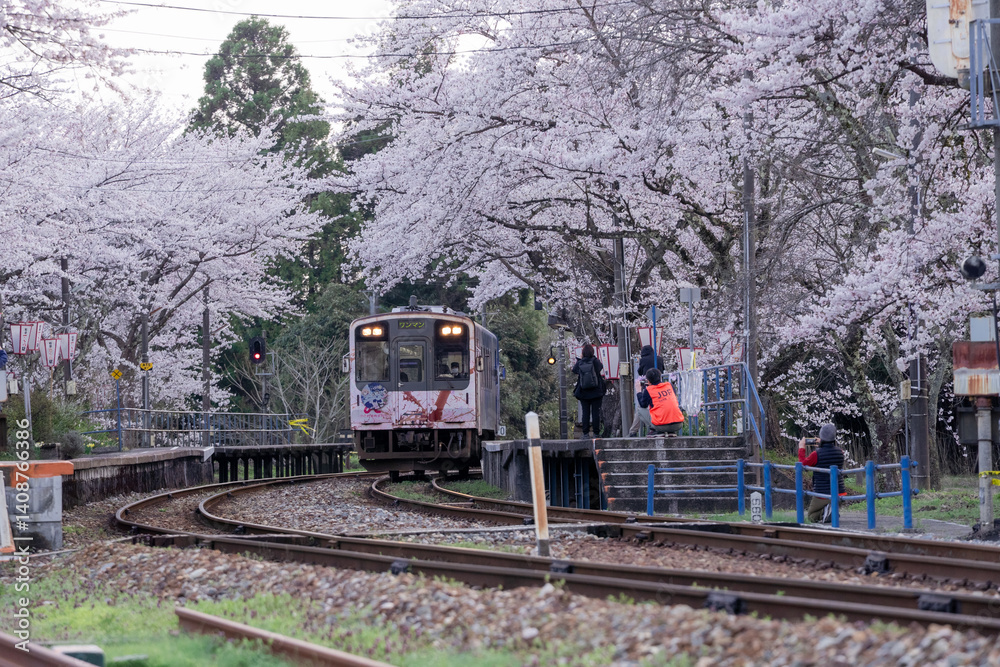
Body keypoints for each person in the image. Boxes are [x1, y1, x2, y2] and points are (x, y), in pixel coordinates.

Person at [798, 423, 846, 523]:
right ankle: (830, 510)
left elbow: (802, 465)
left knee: (811, 516)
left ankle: (826, 511)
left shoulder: (816, 454)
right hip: (840, 492)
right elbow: (830, 453)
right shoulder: (840, 452)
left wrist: (801, 447)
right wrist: (824, 442)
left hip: (823, 493)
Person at [629, 345, 665, 436]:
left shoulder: (643, 360)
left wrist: (638, 391)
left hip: (648, 386)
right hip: (660, 386)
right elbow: (663, 370)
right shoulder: (659, 359)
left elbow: (640, 372)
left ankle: (633, 431)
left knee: (641, 408)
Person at [636, 368, 684, 435]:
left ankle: (656, 430)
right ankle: (671, 431)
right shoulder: (669, 385)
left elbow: (643, 405)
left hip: (661, 426)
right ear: (660, 377)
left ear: (648, 380)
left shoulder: (649, 390)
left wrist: (638, 392)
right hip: (678, 424)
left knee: (640, 410)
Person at [572, 343, 606, 437]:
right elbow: (600, 367)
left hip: (584, 392)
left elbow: (574, 370)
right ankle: (596, 433)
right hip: (596, 391)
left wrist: (581, 359)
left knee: (585, 413)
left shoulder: (580, 362)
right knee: (596, 413)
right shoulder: (595, 361)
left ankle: (585, 434)